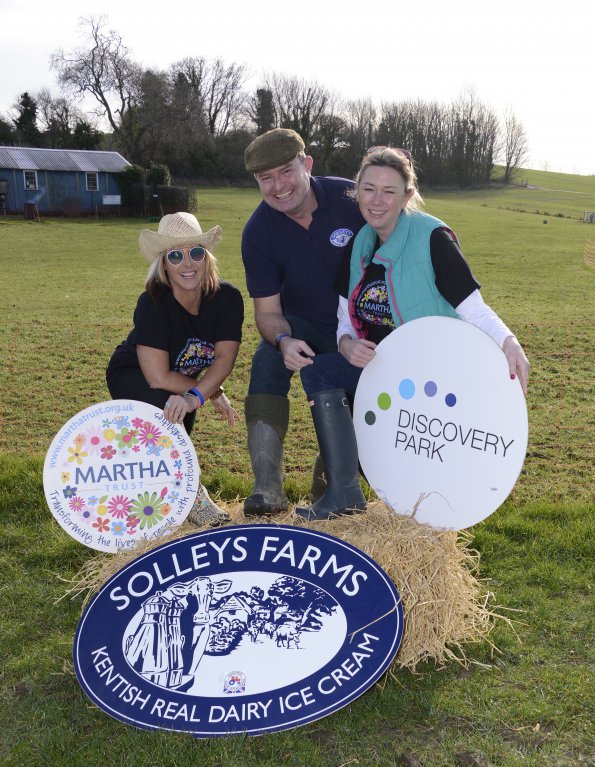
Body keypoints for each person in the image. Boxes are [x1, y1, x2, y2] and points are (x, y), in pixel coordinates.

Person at [297, 146, 530, 520]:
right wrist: (347, 344)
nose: (377, 201)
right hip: (382, 366)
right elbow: (343, 318)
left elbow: (473, 310)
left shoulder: (432, 238)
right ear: (357, 190)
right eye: (369, 189)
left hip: (429, 374)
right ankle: (343, 494)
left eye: (389, 191)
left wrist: (509, 341)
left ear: (408, 195)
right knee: (319, 371)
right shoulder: (359, 243)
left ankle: (372, 490)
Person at [241, 128, 365, 515]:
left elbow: (403, 227)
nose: (278, 186)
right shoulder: (258, 232)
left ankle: (328, 491)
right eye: (266, 178)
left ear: (306, 165)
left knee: (363, 401)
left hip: (366, 325)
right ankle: (267, 490)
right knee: (266, 360)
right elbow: (268, 313)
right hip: (304, 325)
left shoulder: (351, 198)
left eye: (285, 172)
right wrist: (283, 342)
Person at [106, 212, 244, 527]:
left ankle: (165, 497)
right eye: (175, 255)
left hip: (180, 380)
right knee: (166, 412)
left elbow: (224, 359)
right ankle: (194, 498)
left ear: (206, 258)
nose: (187, 263)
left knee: (178, 420)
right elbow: (156, 377)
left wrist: (202, 393)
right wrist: (200, 394)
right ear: (164, 264)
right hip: (133, 373)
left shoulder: (228, 299)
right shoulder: (153, 302)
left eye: (195, 252)